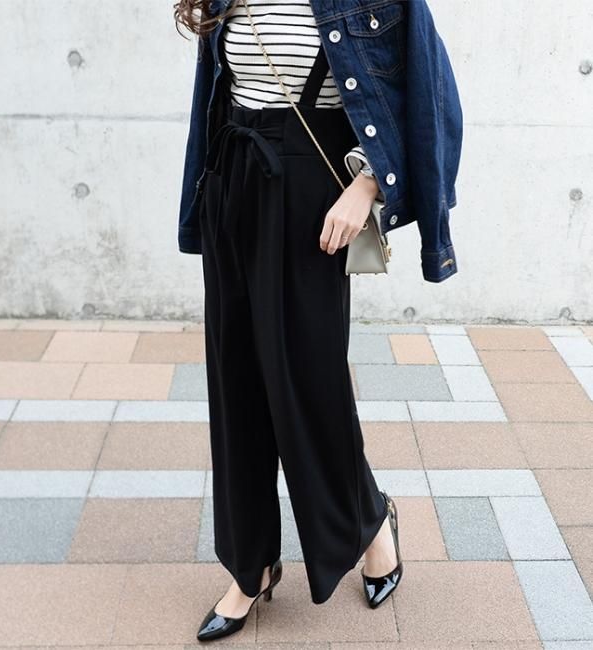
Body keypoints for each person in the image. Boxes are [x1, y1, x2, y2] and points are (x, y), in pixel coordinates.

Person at [173, 0, 462, 642]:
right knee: (238, 382)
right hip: (232, 180)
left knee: (309, 382)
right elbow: (218, 96)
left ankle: (369, 524)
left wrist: (367, 186)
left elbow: (431, 96)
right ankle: (251, 565)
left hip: (312, 194)